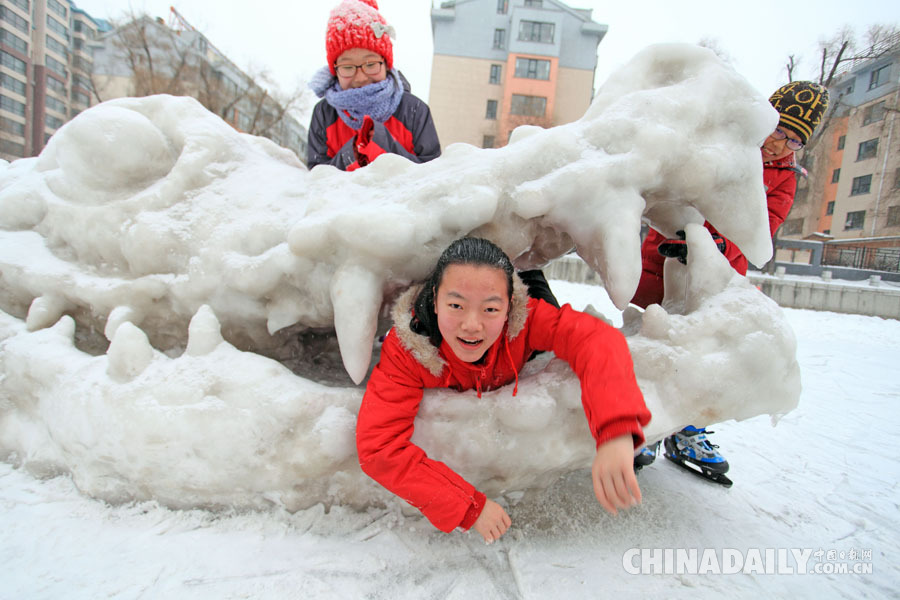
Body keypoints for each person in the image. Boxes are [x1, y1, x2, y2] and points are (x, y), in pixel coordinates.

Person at [356, 237, 651, 542]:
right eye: (456, 305)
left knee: (536, 299)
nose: (471, 324)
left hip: (525, 318)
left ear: (510, 309)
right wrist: (468, 507)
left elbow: (596, 340)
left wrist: (616, 432)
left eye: (490, 309)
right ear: (434, 300)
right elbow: (378, 447)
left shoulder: (527, 318)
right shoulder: (409, 348)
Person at [630, 81, 830, 481]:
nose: (779, 145)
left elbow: (759, 232)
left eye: (792, 141)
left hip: (715, 276)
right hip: (660, 261)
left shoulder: (783, 179)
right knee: (647, 336)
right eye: (778, 130)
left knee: (699, 350)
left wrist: (716, 245)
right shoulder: (719, 145)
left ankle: (686, 429)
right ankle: (642, 420)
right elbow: (674, 193)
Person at [307, 0, 441, 171]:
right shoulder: (324, 114)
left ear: (386, 63)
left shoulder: (415, 111)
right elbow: (316, 178)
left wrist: (382, 144)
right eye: (348, 67)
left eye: (370, 65)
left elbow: (432, 176)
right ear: (334, 69)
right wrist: (352, 153)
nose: (361, 77)